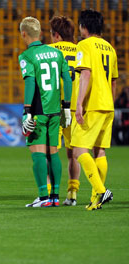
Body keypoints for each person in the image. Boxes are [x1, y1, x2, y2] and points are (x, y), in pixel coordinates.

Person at [18, 17, 72, 207]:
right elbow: (67, 78)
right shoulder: (56, 53)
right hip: (55, 110)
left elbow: (31, 82)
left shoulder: (26, 56)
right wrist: (66, 107)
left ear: (24, 34)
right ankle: (55, 196)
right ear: (40, 33)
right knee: (54, 153)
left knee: (38, 154)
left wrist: (27, 111)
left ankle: (43, 197)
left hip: (38, 110)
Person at [71, 9, 117, 211]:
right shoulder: (110, 48)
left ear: (84, 27)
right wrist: (110, 102)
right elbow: (114, 81)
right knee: (99, 151)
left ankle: (100, 190)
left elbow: (86, 74)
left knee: (80, 150)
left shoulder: (84, 45)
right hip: (108, 105)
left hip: (93, 105)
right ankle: (95, 200)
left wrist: (80, 104)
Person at [48, 16, 80, 206]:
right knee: (74, 153)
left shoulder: (49, 51)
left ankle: (52, 194)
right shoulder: (81, 50)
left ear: (57, 35)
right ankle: (73, 193)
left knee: (50, 151)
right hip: (76, 107)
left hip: (54, 107)